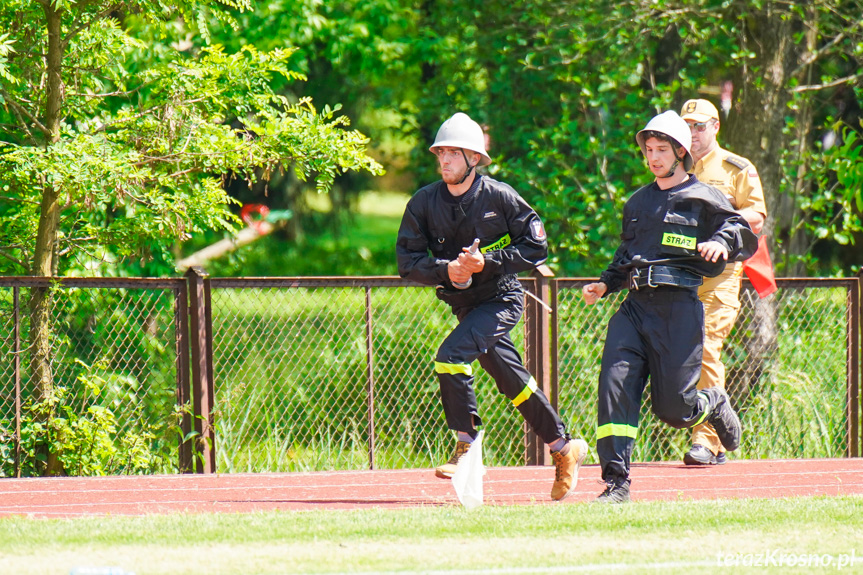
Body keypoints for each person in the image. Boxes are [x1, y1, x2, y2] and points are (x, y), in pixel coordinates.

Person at [396, 112, 588, 501]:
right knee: (514, 383)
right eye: (441, 153)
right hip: (465, 306)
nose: (444, 160)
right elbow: (407, 263)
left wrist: (489, 263)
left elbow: (537, 247)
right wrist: (446, 269)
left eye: (453, 153)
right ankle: (564, 448)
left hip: (502, 299)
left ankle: (466, 443)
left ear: (473, 158)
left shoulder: (499, 196)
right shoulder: (423, 202)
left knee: (450, 356)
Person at [582, 110, 757, 503]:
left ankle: (712, 401)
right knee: (614, 386)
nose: (653, 156)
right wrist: (605, 284)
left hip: (678, 310)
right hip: (634, 308)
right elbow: (625, 254)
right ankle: (616, 483)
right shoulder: (638, 202)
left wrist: (723, 243)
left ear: (680, 152)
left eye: (662, 149)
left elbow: (742, 232)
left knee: (674, 411)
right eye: (648, 149)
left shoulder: (703, 196)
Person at [680, 98, 768, 466]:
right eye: (688, 126)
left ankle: (706, 436)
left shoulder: (736, 168)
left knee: (706, 346)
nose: (694, 133)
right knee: (680, 353)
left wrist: (723, 222)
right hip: (682, 274)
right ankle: (715, 431)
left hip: (721, 276)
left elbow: (757, 216)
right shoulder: (675, 165)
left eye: (700, 126)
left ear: (716, 127)